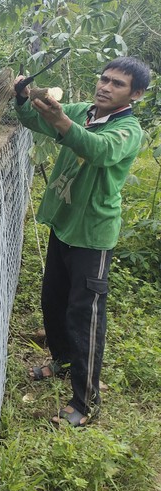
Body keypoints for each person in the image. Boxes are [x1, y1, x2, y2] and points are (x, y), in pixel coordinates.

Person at [13, 56, 151, 427]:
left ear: (135, 94)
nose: (105, 86)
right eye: (104, 78)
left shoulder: (128, 129)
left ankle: (86, 402)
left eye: (117, 83)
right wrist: (25, 99)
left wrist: (60, 119)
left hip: (92, 235)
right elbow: (33, 121)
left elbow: (97, 149)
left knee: (84, 316)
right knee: (53, 300)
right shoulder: (84, 111)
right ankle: (62, 360)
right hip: (65, 225)